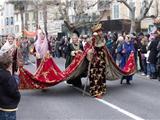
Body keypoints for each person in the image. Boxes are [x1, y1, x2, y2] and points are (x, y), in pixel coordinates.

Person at [87, 23, 107, 98]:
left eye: (101, 31)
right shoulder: (93, 39)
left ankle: (101, 89)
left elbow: (104, 48)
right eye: (99, 31)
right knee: (95, 75)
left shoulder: (102, 38)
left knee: (102, 75)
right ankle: (95, 91)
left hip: (102, 59)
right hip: (95, 60)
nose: (101, 32)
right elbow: (89, 48)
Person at [0, 53, 21, 120]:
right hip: (8, 108)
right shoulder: (9, 77)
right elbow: (14, 90)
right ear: (10, 64)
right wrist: (16, 76)